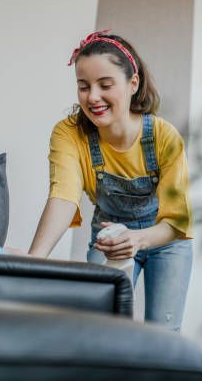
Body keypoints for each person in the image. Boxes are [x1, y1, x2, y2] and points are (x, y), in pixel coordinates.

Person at [28, 30, 193, 332]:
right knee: (99, 327)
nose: (92, 97)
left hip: (165, 241)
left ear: (133, 84)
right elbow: (63, 198)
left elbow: (176, 221)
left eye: (105, 85)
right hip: (109, 239)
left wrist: (139, 239)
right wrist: (33, 261)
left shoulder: (163, 136)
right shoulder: (69, 134)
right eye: (83, 86)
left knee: (164, 335)